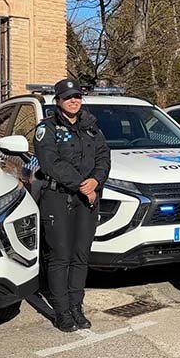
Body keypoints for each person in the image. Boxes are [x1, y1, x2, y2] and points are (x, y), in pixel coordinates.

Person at [34, 79, 111, 332]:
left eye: (77, 96)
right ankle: (62, 310)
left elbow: (103, 158)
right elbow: (51, 164)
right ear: (58, 100)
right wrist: (83, 185)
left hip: (86, 200)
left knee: (80, 255)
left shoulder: (91, 127)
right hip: (58, 199)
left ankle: (77, 306)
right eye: (68, 97)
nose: (74, 101)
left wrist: (96, 181)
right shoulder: (48, 128)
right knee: (60, 256)